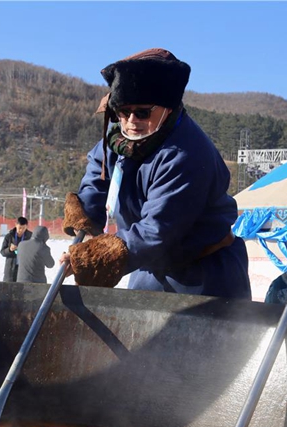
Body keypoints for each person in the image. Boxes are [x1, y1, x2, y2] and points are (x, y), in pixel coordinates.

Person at [60, 48, 250, 298]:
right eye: (123, 111)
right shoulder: (119, 137)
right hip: (147, 265)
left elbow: (158, 230)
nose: (131, 121)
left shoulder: (186, 153)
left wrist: (93, 258)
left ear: (168, 107)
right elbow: (98, 176)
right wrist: (84, 214)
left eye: (142, 112)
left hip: (203, 274)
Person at [0, 216, 32, 281]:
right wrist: (9, 249)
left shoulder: (31, 237)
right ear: (16, 225)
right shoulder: (9, 236)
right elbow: (2, 252)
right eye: (19, 228)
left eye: (23, 228)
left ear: (26, 226)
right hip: (11, 269)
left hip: (24, 269)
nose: (21, 230)